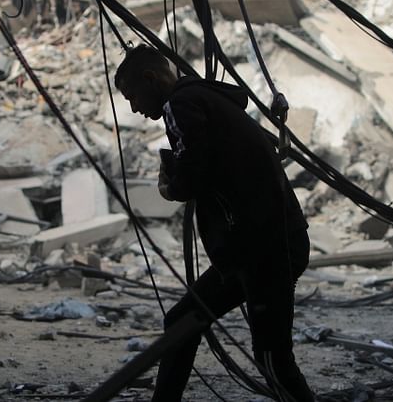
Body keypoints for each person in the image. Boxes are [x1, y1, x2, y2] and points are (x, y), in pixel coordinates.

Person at [114, 45, 315, 402]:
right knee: (182, 322)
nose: (134, 108)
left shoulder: (179, 104)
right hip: (254, 249)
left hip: (265, 249)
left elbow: (192, 173)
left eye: (132, 96)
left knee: (273, 359)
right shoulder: (209, 98)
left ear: (151, 78)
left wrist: (169, 183)